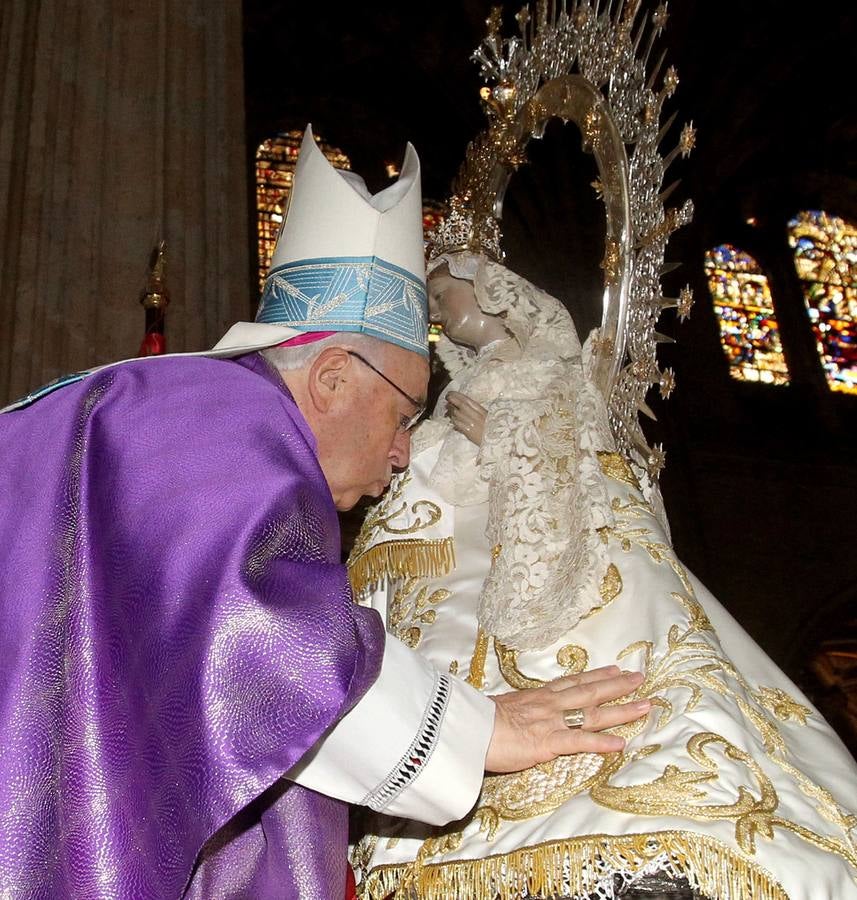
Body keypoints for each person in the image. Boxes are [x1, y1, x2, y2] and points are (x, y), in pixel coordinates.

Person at [0, 126, 650, 899]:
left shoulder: (162, 412)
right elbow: (262, 641)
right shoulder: (228, 427)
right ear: (335, 376)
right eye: (406, 412)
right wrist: (478, 731)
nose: (404, 451)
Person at [348, 247, 857, 899]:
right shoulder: (459, 384)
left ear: (495, 298)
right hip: (458, 563)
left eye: (446, 298)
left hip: (536, 551)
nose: (439, 313)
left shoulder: (543, 365)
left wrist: (500, 435)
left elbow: (582, 446)